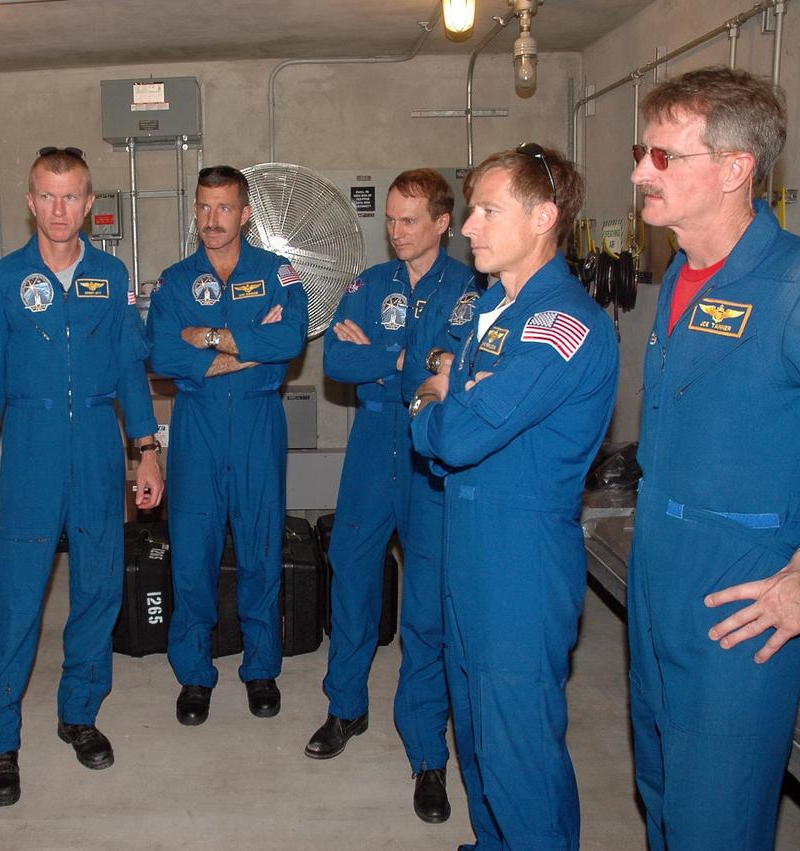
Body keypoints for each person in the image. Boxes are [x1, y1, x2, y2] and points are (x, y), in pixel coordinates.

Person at [627, 67, 800, 850]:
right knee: (660, 792)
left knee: (713, 824)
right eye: (640, 152)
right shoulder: (686, 278)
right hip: (659, 564)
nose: (638, 173)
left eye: (663, 157)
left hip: (740, 589)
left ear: (733, 168)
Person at [407, 144, 618, 849]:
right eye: (471, 209)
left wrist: (429, 407)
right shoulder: (496, 307)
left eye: (489, 210)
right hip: (470, 545)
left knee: (519, 747)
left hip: (520, 559)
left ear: (544, 217)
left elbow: (458, 432)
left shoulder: (563, 322)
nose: (470, 226)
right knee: (476, 732)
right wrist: (450, 397)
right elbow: (460, 407)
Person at [0, 146, 163, 807]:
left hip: (99, 450)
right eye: (47, 196)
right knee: (18, 600)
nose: (59, 210)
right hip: (32, 449)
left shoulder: (110, 274)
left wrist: (148, 448)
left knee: (99, 592)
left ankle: (79, 712)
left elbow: (132, 368)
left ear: (89, 201)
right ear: (28, 200)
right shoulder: (2, 281)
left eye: (71, 196)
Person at [307, 168, 476, 825]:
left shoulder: (472, 291)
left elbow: (457, 370)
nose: (397, 231)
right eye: (392, 219)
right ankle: (345, 704)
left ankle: (427, 752)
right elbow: (336, 365)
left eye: (411, 220)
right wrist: (411, 359)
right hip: (374, 443)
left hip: (434, 451)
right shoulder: (367, 285)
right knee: (351, 576)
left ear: (442, 222)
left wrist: (383, 353)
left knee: (426, 604)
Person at [146, 165, 309, 726]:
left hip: (260, 427)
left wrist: (208, 338)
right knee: (193, 554)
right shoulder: (174, 281)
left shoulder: (278, 274)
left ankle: (261, 668)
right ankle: (194, 674)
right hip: (199, 428)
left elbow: (289, 340)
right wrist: (245, 349)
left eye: (224, 208)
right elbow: (162, 356)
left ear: (245, 214)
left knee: (262, 549)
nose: (212, 220)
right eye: (203, 207)